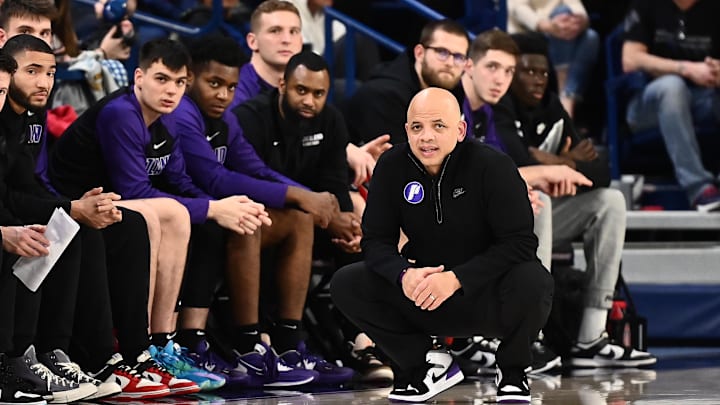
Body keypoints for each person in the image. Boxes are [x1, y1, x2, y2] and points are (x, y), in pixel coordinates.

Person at [48, 38, 272, 391]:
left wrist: (228, 209)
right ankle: (135, 347)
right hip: (70, 208)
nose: (171, 91)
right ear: (139, 77)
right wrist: (213, 207)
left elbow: (180, 182)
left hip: (113, 208)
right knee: (158, 215)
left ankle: (161, 343)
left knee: (180, 215)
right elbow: (135, 190)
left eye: (180, 82)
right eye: (161, 79)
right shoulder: (121, 113)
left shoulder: (165, 123)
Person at [331, 87, 554, 404]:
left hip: (485, 294)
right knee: (347, 283)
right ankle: (425, 365)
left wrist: (456, 278)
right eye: (417, 127)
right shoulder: (392, 167)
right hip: (423, 294)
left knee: (535, 280)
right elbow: (376, 242)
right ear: (406, 130)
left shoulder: (494, 167)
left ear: (460, 130)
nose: (426, 137)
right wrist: (403, 276)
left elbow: (519, 244)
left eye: (439, 126)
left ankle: (513, 370)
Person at [172, 36, 338, 386]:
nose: (223, 95)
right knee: (246, 216)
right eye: (214, 83)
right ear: (191, 80)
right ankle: (247, 345)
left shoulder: (226, 119)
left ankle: (287, 344)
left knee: (297, 218)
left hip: (208, 212)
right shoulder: (183, 115)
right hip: (180, 212)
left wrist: (310, 200)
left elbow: (254, 169)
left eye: (231, 87)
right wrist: (299, 193)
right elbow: (215, 179)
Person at [491, 31, 657, 369]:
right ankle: (529, 335)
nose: (538, 79)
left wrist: (555, 162)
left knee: (610, 200)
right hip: (499, 222)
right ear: (511, 74)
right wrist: (557, 165)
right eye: (528, 71)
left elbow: (600, 171)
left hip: (546, 215)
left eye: (544, 72)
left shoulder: (552, 106)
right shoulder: (500, 107)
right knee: (537, 196)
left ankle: (591, 337)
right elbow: (516, 165)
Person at [232, 50, 359, 382]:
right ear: (282, 84)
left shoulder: (331, 120)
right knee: (288, 218)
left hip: (310, 217)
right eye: (301, 90)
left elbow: (335, 183)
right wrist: (328, 215)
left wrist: (346, 226)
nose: (309, 101)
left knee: (368, 228)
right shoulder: (250, 116)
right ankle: (266, 344)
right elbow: (251, 181)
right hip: (252, 216)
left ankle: (364, 341)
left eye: (318, 94)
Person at [232, 0, 389, 195]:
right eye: (275, 31)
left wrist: (341, 155)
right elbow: (256, 170)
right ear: (252, 41)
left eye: (294, 31)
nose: (286, 39)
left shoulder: (310, 91)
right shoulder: (237, 94)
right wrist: (345, 153)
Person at [622, 0, 720, 211]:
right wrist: (685, 69)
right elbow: (630, 59)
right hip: (648, 104)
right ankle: (699, 187)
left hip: (701, 101)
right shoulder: (645, 5)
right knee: (672, 86)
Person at [343, 18, 470, 147]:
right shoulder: (382, 95)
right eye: (442, 52)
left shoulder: (453, 96)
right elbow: (401, 163)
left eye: (459, 57)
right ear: (419, 53)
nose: (450, 63)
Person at [507, 0, 600, 118]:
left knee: (591, 37)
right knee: (561, 14)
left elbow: (576, 6)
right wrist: (546, 25)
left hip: (561, 28)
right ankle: (565, 91)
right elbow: (518, 9)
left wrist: (581, 21)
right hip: (527, 30)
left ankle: (567, 96)